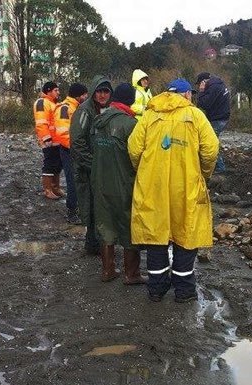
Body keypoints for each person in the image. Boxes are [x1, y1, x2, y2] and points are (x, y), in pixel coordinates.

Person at [128, 78, 219, 303]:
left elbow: (133, 148)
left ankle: (156, 289)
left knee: (156, 235)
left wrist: (144, 171)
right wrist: (203, 174)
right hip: (187, 186)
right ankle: (184, 291)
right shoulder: (196, 116)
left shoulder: (149, 115)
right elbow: (210, 150)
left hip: (153, 187)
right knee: (186, 234)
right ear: (187, 95)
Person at [91, 82, 146, 284]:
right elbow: (137, 156)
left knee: (105, 224)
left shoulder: (98, 121)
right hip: (123, 182)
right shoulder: (131, 124)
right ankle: (131, 274)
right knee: (128, 226)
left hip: (100, 181)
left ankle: (107, 271)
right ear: (131, 100)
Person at [70, 76, 112, 255]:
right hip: (87, 169)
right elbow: (77, 142)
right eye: (99, 91)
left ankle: (97, 243)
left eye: (106, 91)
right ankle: (92, 245)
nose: (102, 95)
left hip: (101, 167)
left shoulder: (107, 110)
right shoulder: (85, 111)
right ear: (94, 92)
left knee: (101, 206)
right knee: (90, 205)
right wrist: (93, 165)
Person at [54, 82, 89, 224]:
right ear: (79, 95)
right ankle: (72, 211)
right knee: (73, 181)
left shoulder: (75, 107)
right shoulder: (65, 108)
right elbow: (63, 134)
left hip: (75, 149)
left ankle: (78, 209)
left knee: (79, 180)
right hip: (69, 150)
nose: (86, 97)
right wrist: (78, 148)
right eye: (85, 94)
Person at [33, 81, 64, 200]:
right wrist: (47, 139)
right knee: (49, 165)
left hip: (57, 140)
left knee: (57, 164)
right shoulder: (42, 103)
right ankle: (48, 189)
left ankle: (55, 187)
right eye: (56, 90)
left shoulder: (53, 104)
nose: (58, 93)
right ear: (49, 91)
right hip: (49, 141)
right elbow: (41, 123)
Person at [195, 72, 230, 173]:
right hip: (222, 117)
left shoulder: (213, 88)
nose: (199, 87)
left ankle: (220, 167)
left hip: (218, 119)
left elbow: (204, 104)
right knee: (213, 141)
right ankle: (216, 165)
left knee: (211, 143)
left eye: (199, 84)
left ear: (204, 81)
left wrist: (201, 92)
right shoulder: (219, 84)